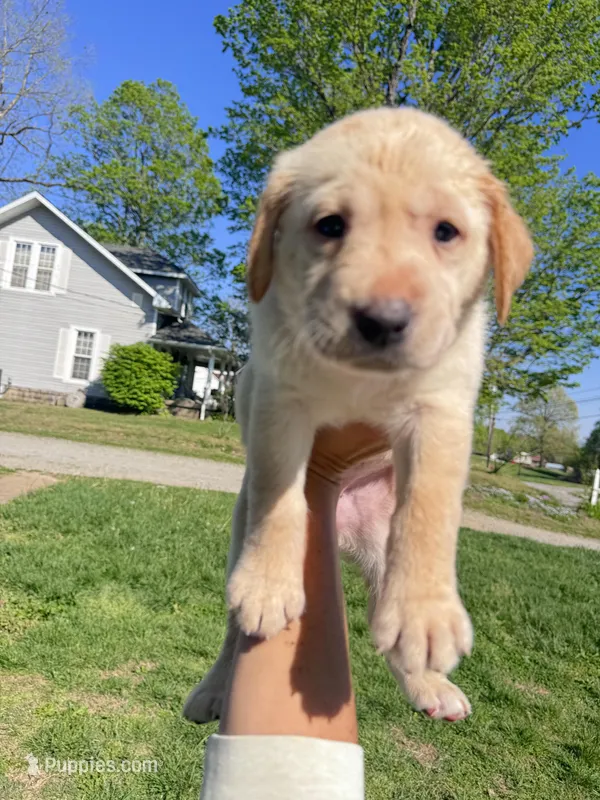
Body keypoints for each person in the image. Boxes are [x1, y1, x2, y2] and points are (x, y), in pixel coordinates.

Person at [199, 423, 387, 800]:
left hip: (375, 479)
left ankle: (415, 670)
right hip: (304, 454)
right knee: (261, 589)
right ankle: (224, 666)